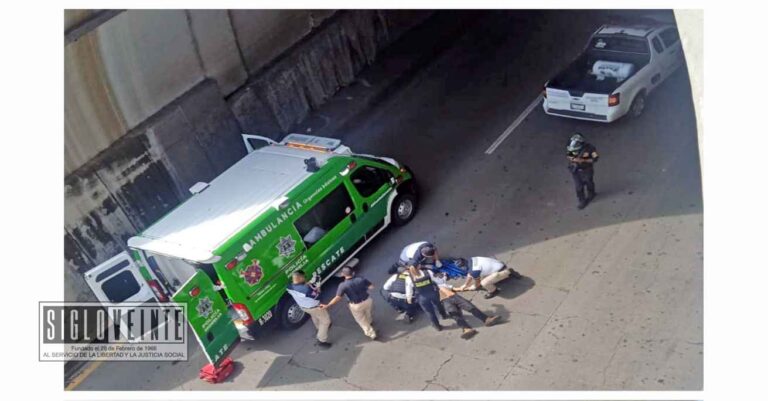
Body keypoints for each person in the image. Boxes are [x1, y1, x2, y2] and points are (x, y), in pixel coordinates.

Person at [433, 273, 501, 339]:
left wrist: (469, 288)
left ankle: (487, 320)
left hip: (454, 296)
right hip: (445, 301)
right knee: (455, 315)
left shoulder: (442, 284)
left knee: (471, 307)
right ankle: (466, 329)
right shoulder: (430, 290)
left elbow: (456, 289)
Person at [320, 267, 377, 340]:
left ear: (343, 274)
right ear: (353, 272)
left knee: (361, 320)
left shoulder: (343, 285)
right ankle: (369, 321)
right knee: (368, 312)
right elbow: (371, 287)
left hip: (356, 305)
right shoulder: (360, 279)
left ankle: (371, 333)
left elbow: (338, 298)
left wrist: (328, 305)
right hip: (367, 301)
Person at [286, 271, 331, 348]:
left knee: (315, 316)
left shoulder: (289, 286)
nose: (305, 278)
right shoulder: (306, 289)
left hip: (304, 307)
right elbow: (318, 295)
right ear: (300, 278)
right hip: (315, 307)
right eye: (304, 277)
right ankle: (321, 339)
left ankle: (318, 328)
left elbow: (301, 287)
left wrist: (310, 283)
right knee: (326, 321)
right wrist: (318, 285)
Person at [404, 265, 448, 331]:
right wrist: (444, 280)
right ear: (418, 266)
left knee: (430, 312)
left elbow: (409, 290)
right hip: (433, 293)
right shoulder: (428, 272)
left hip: (422, 297)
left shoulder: (409, 278)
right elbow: (437, 280)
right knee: (438, 304)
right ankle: (444, 315)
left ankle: (437, 326)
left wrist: (409, 299)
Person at [457, 256, 523, 299]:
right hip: (498, 264)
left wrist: (473, 287)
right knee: (480, 275)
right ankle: (506, 272)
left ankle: (494, 291)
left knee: (484, 283)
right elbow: (470, 273)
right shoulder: (471, 259)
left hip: (499, 271)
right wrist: (465, 284)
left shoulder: (474, 270)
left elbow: (477, 283)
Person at [566, 133, 599, 209]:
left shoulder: (591, 148)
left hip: (587, 169)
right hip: (576, 171)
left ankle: (591, 193)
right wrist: (574, 160)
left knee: (589, 181)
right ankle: (582, 200)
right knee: (578, 186)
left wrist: (584, 160)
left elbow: (595, 158)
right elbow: (569, 156)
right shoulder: (571, 148)